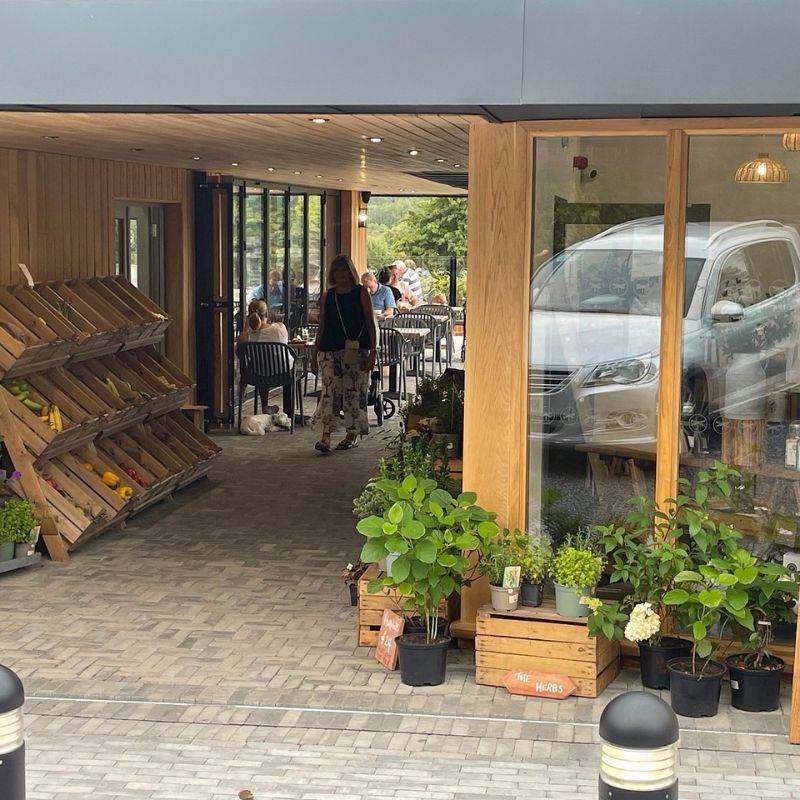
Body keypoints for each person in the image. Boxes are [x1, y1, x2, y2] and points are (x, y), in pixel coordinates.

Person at [311, 254, 376, 453]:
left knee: (354, 392)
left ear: (351, 272)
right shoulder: (328, 296)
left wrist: (374, 351)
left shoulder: (361, 292)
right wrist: (315, 353)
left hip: (356, 350)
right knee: (329, 392)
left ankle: (351, 433)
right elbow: (322, 325)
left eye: (345, 271)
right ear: (333, 274)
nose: (341, 275)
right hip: (329, 349)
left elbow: (370, 322)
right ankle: (326, 436)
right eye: (337, 271)